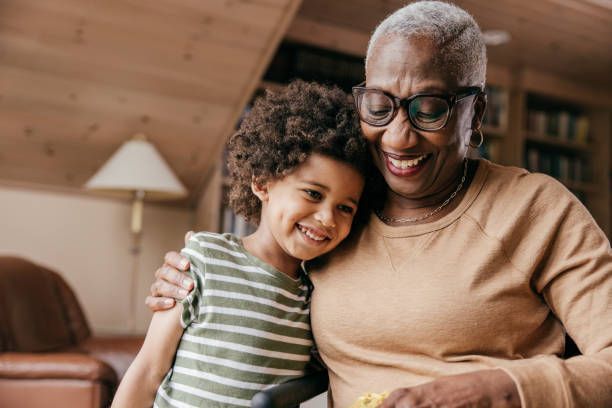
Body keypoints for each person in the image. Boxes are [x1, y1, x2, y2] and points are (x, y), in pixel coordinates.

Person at [146, 2, 612, 407]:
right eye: (378, 105)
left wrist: (497, 391)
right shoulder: (341, 214)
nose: (398, 136)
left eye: (429, 108)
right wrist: (194, 278)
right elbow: (263, 286)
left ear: (476, 113)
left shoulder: (536, 208)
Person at [112, 80, 370, 407]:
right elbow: (149, 369)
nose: (327, 218)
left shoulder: (316, 297)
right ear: (262, 183)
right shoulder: (204, 259)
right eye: (313, 194)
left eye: (345, 208)